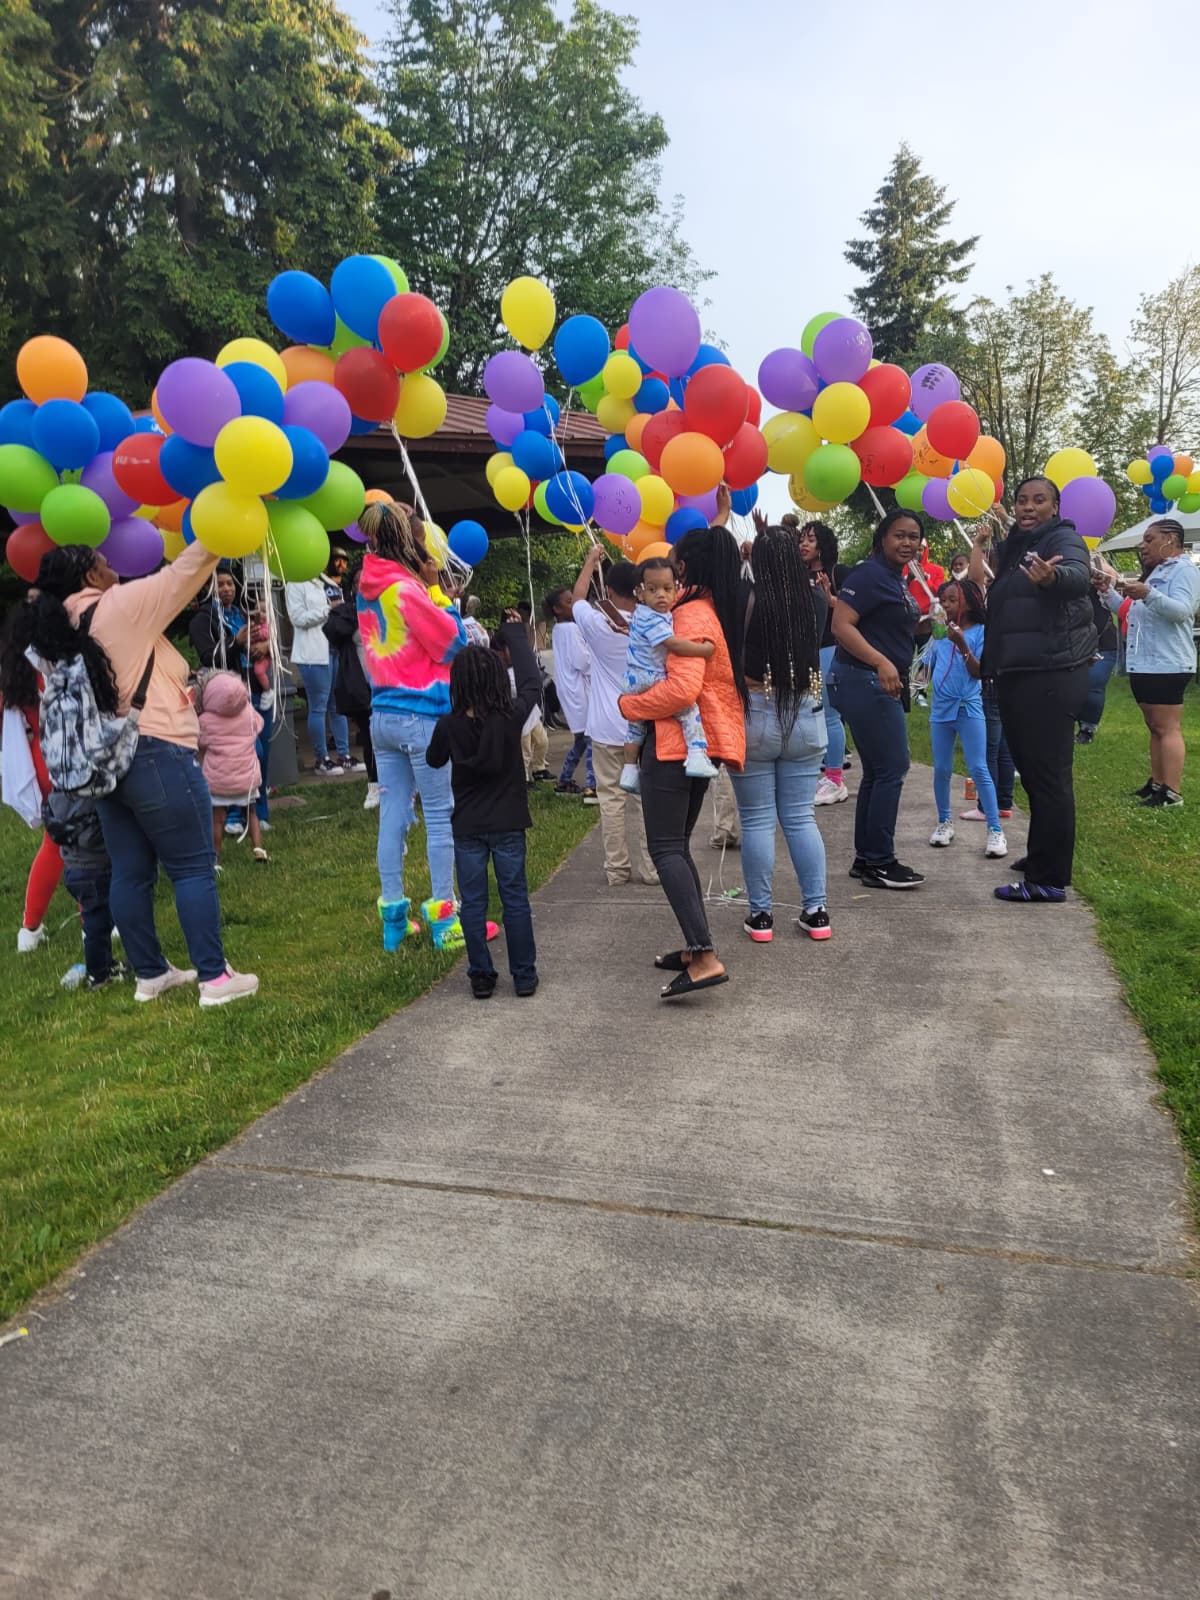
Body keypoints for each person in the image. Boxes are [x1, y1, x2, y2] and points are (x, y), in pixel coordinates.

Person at [19, 543, 258, 1005]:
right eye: (103, 563)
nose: (114, 567)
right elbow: (180, 576)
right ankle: (215, 978)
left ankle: (150, 974)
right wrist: (218, 535)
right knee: (192, 867)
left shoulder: (55, 629)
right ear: (89, 576)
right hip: (156, 749)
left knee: (130, 872)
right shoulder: (117, 607)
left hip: (108, 766)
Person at [618, 507, 746, 1000]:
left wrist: (628, 705)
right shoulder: (704, 608)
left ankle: (705, 956)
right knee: (677, 846)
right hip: (686, 747)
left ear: (684, 571)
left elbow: (681, 690)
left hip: (673, 747)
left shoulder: (689, 614)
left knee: (665, 848)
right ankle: (697, 947)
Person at [968, 476, 1096, 903]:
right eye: (1022, 500)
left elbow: (1078, 575)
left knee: (1049, 777)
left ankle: (1048, 879)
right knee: (1036, 776)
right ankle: (1043, 856)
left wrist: (1053, 576)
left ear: (1055, 507)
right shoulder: (1019, 546)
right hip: (1022, 673)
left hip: (1051, 673)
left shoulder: (1063, 537)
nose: (1028, 507)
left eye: (1039, 500)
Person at [356, 500, 468, 949]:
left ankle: (394, 921)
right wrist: (438, 591)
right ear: (408, 542)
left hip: (382, 714)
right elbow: (452, 643)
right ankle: (446, 920)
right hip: (421, 714)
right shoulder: (407, 590)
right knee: (439, 815)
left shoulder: (366, 588)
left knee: (392, 814)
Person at [427, 613, 541, 999]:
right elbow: (531, 683)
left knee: (474, 903)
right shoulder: (510, 718)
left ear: (457, 683)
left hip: (468, 825)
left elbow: (433, 760)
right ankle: (523, 975)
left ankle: (481, 974)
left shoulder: (449, 725)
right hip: (508, 821)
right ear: (497, 679)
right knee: (515, 898)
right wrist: (514, 634)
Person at [730, 523, 831, 943]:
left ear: (757, 559)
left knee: (756, 821)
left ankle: (761, 917)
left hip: (755, 712)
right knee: (801, 817)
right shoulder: (816, 599)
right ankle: (816, 911)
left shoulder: (744, 598)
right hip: (805, 713)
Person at [828, 510, 926, 890]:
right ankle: (881, 861)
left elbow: (882, 622)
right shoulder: (868, 575)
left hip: (874, 680)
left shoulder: (896, 578)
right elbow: (841, 626)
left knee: (877, 771)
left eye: (913, 536)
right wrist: (882, 661)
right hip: (866, 680)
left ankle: (867, 858)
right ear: (882, 538)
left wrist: (922, 623)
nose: (907, 543)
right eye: (899, 535)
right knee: (892, 768)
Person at [1097, 518, 1200, 807]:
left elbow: (1182, 611)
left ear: (1170, 540)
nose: (1143, 546)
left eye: (1149, 539)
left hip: (1168, 661)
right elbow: (1131, 612)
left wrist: (1149, 593)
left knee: (1167, 727)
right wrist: (1107, 592)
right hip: (1144, 660)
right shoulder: (1155, 573)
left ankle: (1172, 792)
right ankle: (1157, 782)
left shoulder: (1184, 571)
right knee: (1154, 726)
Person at [571, 546, 658, 887]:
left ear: (608, 590)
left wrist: (591, 560)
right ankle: (652, 869)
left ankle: (617, 869)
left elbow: (577, 597)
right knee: (646, 802)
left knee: (611, 800)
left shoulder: (596, 623)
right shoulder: (653, 625)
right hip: (643, 726)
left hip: (606, 727)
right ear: (639, 589)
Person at [619, 557, 717, 793]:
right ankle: (696, 754)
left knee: (636, 726)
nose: (661, 595)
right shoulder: (652, 618)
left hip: (633, 679)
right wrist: (704, 650)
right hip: (650, 676)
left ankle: (629, 771)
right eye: (652, 590)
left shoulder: (641, 613)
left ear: (676, 589)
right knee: (688, 709)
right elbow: (674, 644)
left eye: (667, 588)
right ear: (640, 593)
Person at [924, 580, 1007, 859]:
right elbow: (929, 664)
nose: (946, 605)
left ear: (969, 603)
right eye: (943, 600)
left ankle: (995, 829)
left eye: (952, 600)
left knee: (978, 767)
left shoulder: (981, 632)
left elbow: (978, 671)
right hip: (940, 710)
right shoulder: (940, 630)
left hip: (967, 708)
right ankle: (944, 822)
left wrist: (961, 644)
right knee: (941, 769)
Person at [189, 568, 274, 838]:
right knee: (244, 752)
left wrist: (265, 647)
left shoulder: (241, 613)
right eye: (220, 584)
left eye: (230, 584)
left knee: (263, 752)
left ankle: (259, 812)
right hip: (228, 696)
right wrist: (236, 642)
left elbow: (262, 639)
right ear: (209, 589)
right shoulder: (202, 620)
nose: (227, 588)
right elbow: (209, 657)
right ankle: (234, 814)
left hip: (255, 685)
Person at [0, 617, 65, 952]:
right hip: (63, 760)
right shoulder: (49, 667)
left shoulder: (12, 677)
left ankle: (30, 928)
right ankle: (95, 921)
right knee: (86, 844)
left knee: (56, 843)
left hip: (37, 764)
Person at [43, 786, 127, 991]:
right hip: (92, 869)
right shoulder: (84, 800)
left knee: (99, 921)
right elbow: (90, 837)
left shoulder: (57, 797)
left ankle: (106, 965)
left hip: (74, 868)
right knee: (97, 925)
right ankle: (98, 974)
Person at [796, 520, 850, 806]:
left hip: (830, 649)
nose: (804, 544)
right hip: (807, 651)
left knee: (829, 715)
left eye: (811, 539)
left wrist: (832, 599)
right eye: (802, 539)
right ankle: (825, 771)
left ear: (823, 545)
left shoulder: (837, 573)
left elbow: (857, 609)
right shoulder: (797, 573)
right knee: (812, 712)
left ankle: (835, 779)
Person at [285, 569, 357, 775]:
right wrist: (328, 610)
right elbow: (298, 618)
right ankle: (321, 759)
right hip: (313, 653)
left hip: (334, 649)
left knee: (338, 705)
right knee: (318, 706)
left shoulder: (327, 581)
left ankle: (344, 755)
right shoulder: (295, 583)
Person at [197, 670, 268, 863]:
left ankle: (216, 856)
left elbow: (200, 742)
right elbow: (259, 725)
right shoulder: (249, 713)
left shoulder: (205, 721)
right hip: (247, 777)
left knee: (218, 818)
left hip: (219, 781)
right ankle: (259, 849)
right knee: (251, 813)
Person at [323, 572, 380, 810]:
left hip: (392, 684)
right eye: (359, 582)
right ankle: (374, 785)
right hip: (362, 686)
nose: (365, 584)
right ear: (353, 587)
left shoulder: (387, 605)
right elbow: (332, 630)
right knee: (370, 737)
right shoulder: (346, 612)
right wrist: (359, 612)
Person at [543, 587, 596, 800]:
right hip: (578, 690)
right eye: (568, 601)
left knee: (581, 739)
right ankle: (592, 786)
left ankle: (564, 779)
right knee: (591, 738)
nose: (573, 604)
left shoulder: (558, 629)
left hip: (569, 689)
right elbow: (583, 661)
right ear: (557, 609)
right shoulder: (572, 629)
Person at [1075, 584, 1121, 745]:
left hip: (1103, 643)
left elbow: (1111, 576)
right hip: (1072, 642)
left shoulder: (1096, 577)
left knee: (1093, 684)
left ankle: (1087, 729)